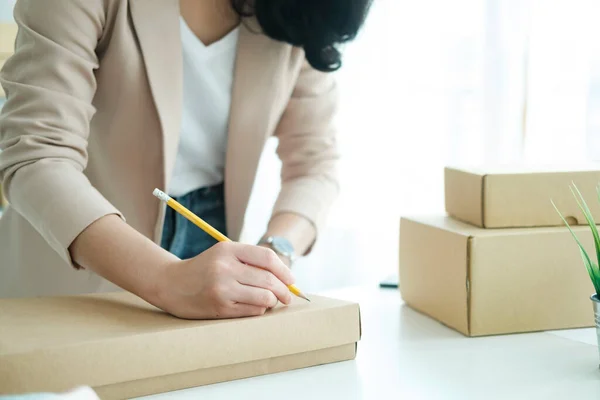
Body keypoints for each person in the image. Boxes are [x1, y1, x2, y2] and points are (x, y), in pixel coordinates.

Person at [0, 0, 372, 319]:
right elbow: (37, 154)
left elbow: (315, 163)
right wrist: (164, 279)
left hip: (211, 241)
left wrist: (277, 251)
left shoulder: (296, 13)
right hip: (87, 246)